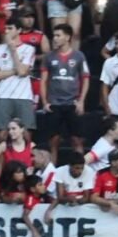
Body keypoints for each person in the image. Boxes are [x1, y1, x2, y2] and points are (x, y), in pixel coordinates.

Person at [41, 24, 89, 161]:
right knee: (53, 141)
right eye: (54, 35)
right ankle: (52, 174)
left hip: (72, 102)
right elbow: (43, 81)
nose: (54, 38)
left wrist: (81, 101)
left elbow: (85, 79)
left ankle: (80, 170)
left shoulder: (79, 56)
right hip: (54, 103)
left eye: (58, 35)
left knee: (77, 140)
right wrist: (45, 103)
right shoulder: (48, 57)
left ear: (67, 37)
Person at [0, 20, 36, 142]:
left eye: (10, 28)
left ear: (19, 30)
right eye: (5, 28)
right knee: (1, 134)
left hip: (24, 96)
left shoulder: (29, 49)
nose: (7, 31)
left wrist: (12, 49)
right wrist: (15, 70)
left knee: (26, 134)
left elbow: (22, 72)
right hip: (3, 95)